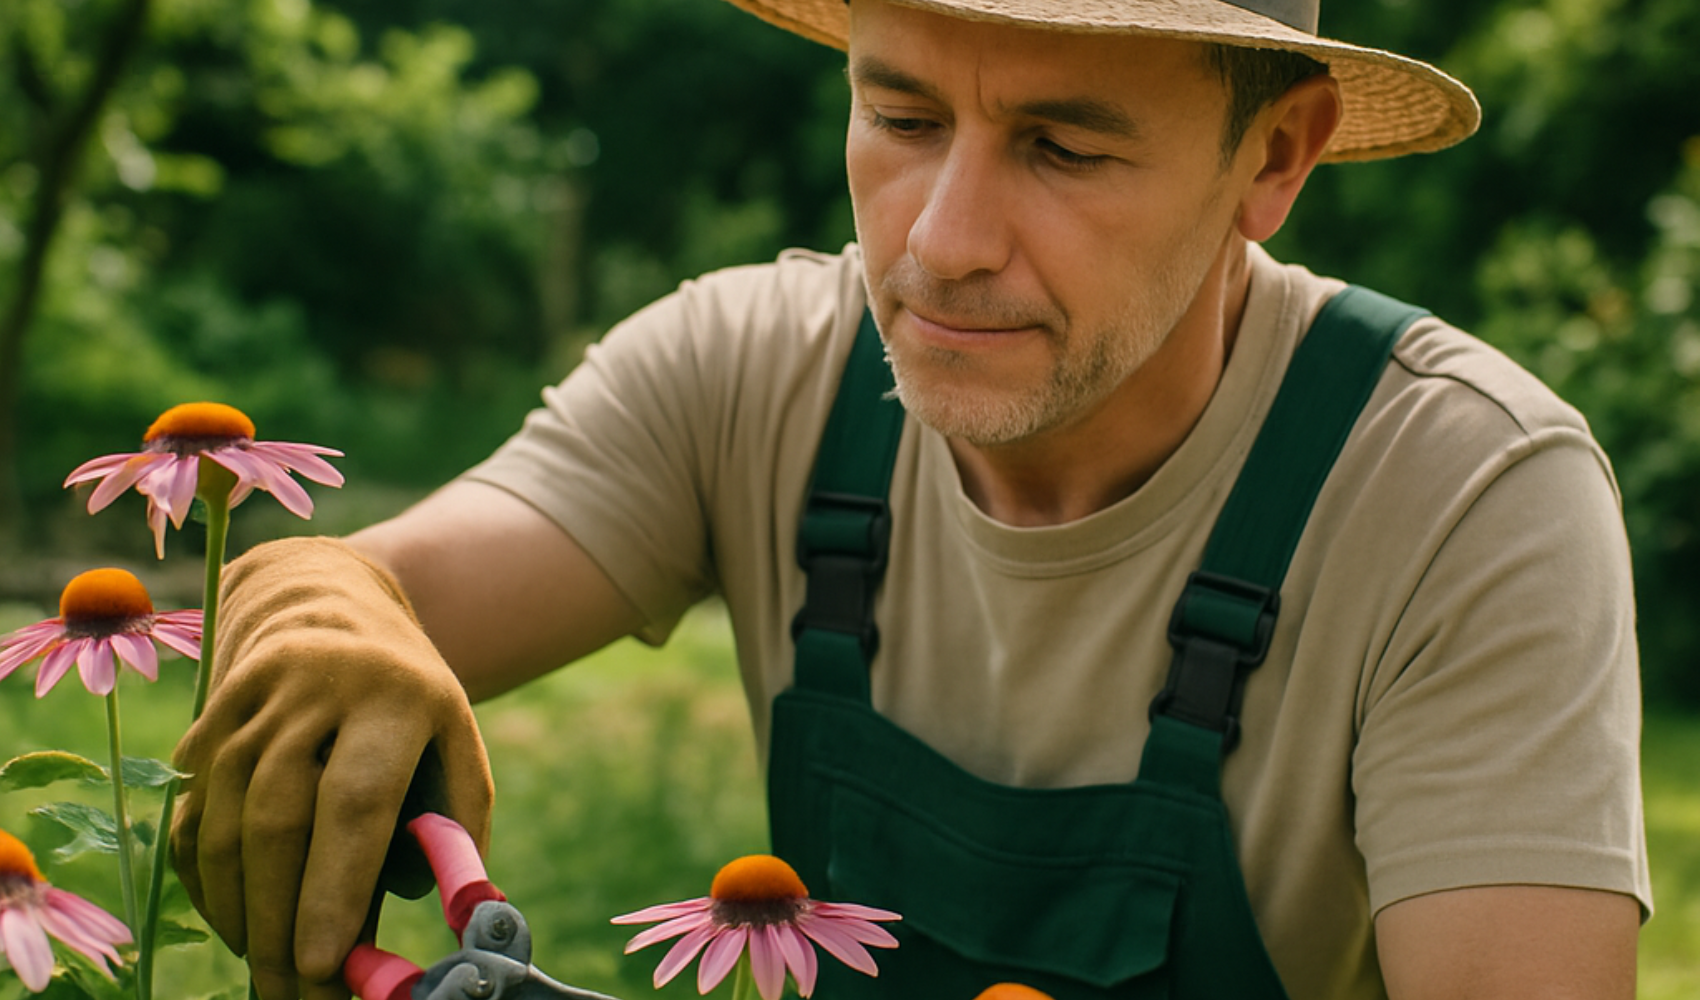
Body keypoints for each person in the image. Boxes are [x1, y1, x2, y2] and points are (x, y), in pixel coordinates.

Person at [169, 0, 1654, 998]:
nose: (940, 246)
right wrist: (316, 597)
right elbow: (385, 591)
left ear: (1274, 155)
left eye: (1063, 147)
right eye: (903, 117)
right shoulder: (753, 367)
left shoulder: (1463, 497)